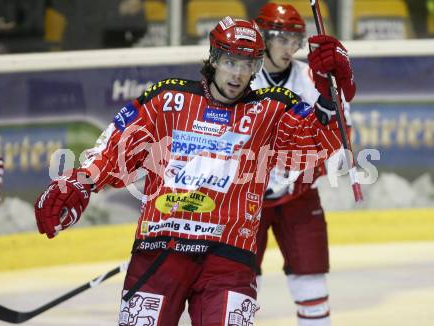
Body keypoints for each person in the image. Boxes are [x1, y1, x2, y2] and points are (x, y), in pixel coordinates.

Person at [34, 16, 355, 326]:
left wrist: (328, 99)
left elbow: (311, 150)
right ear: (214, 58)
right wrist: (79, 184)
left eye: (248, 65)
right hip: (160, 251)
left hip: (230, 260)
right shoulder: (167, 99)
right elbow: (115, 148)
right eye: (231, 61)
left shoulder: (272, 108)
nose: (238, 74)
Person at [252, 3, 355, 326]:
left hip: (298, 195)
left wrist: (326, 160)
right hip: (244, 201)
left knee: (311, 282)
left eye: (295, 40)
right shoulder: (240, 76)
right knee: (235, 285)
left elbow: (340, 132)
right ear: (263, 38)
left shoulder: (313, 77)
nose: (291, 48)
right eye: (282, 39)